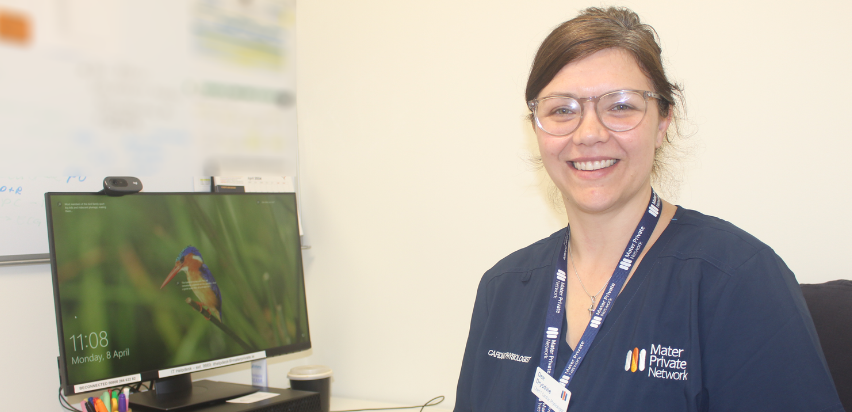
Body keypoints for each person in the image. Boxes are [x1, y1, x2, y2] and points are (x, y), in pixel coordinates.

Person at [453, 7, 843, 412]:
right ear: (537, 128)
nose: (589, 133)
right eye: (562, 109)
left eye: (620, 106)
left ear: (662, 122)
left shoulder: (738, 279)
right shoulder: (501, 288)